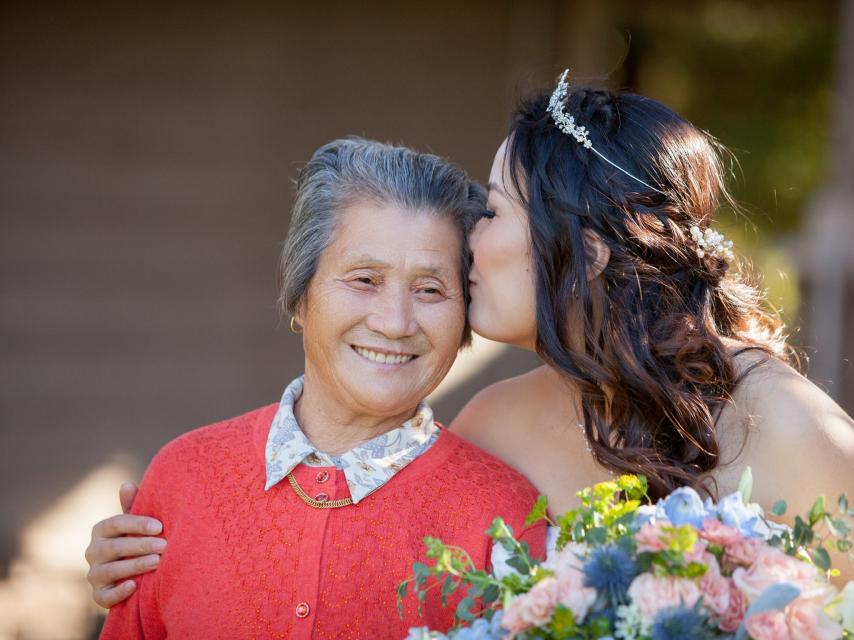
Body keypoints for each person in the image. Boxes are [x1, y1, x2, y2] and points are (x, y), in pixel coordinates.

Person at [88, 73, 854, 637]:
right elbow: (374, 524)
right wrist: (160, 552)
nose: (469, 238)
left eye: (494, 209)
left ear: (585, 243)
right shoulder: (495, 427)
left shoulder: (788, 428)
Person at [95, 137, 547, 639]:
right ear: (300, 297)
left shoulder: (502, 518)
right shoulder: (181, 480)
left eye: (430, 290)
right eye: (364, 279)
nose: (395, 323)